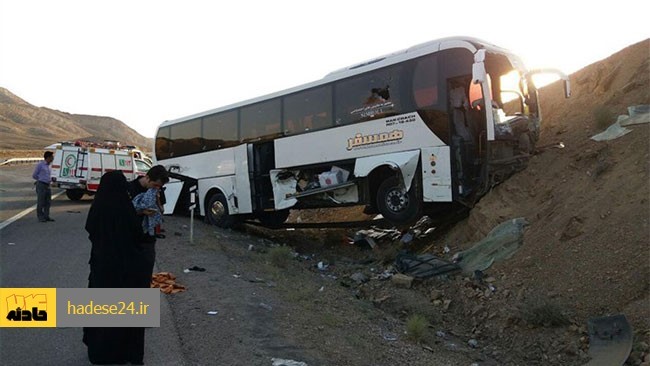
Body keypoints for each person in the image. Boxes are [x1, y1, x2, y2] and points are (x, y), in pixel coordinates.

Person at [83, 171, 150, 365]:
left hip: (102, 267)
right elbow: (137, 234)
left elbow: (90, 229)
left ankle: (100, 353)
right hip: (125, 268)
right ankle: (124, 352)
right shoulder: (125, 208)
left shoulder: (98, 206)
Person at [32, 151, 54, 222]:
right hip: (41, 185)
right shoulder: (40, 165)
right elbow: (34, 175)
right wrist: (40, 179)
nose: (53, 158)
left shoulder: (49, 166)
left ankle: (46, 216)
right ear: (48, 157)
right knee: (41, 201)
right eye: (52, 157)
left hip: (48, 185)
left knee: (48, 202)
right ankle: (40, 217)